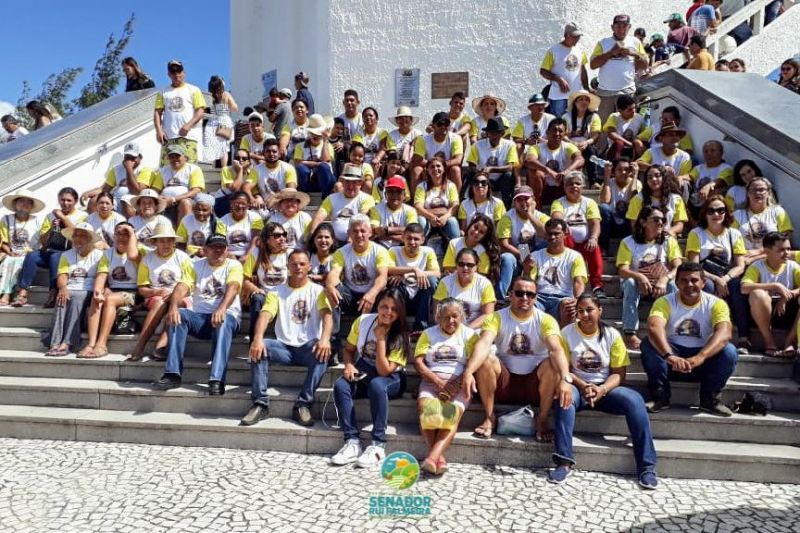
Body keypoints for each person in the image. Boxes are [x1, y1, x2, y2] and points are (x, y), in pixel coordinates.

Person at [550, 292, 658, 489]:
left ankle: (646, 466)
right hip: (577, 386)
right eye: (580, 311)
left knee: (635, 401)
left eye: (589, 310)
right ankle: (563, 461)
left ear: (600, 310)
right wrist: (583, 386)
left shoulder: (612, 335)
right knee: (564, 399)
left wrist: (602, 389)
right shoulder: (566, 333)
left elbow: (619, 374)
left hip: (606, 389)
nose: (584, 315)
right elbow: (564, 369)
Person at [461, 276, 570, 442]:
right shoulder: (496, 318)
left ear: (535, 297)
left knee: (552, 365)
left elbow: (556, 349)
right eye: (519, 293)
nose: (524, 298)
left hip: (535, 385)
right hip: (504, 383)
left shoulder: (546, 320)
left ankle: (541, 419)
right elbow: (483, 344)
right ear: (510, 295)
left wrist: (565, 378)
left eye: (530, 294)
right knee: (487, 360)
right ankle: (489, 417)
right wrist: (468, 371)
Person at [243, 249, 333, 426]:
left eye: (302, 264)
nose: (298, 267)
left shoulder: (318, 291)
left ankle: (303, 404)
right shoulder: (276, 292)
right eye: (294, 264)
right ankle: (260, 404)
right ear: (287, 266)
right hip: (284, 348)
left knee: (323, 351)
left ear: (309, 266)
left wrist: (325, 339)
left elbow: (327, 316)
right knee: (261, 346)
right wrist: (258, 338)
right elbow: (265, 315)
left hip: (308, 347)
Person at [641, 262, 737, 417]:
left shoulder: (717, 304)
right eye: (684, 281)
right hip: (670, 362)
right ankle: (660, 397)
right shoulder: (664, 302)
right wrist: (669, 356)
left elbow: (725, 333)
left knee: (729, 351)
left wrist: (701, 357)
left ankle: (710, 399)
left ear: (704, 283)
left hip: (702, 363)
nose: (689, 285)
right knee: (648, 343)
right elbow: (654, 327)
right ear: (676, 283)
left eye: (694, 280)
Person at [153, 234, 243, 395]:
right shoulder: (195, 265)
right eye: (214, 247)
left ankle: (217, 379)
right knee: (178, 314)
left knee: (223, 320)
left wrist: (222, 309)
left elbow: (233, 287)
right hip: (201, 318)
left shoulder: (234, 265)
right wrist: (173, 306)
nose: (218, 250)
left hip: (227, 318)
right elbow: (182, 286)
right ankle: (172, 374)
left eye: (222, 247)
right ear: (205, 250)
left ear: (227, 249)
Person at [330, 288, 409, 468]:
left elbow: (384, 371)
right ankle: (352, 442)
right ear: (377, 306)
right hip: (365, 371)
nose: (388, 312)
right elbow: (348, 350)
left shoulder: (401, 334)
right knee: (341, 386)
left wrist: (380, 339)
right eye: (384, 306)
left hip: (391, 378)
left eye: (394, 309)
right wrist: (349, 365)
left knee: (377, 385)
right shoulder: (363, 322)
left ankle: (378, 445)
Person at [414, 298, 477, 475]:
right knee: (426, 412)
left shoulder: (469, 335)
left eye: (455, 316)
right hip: (431, 382)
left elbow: (474, 361)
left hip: (459, 385)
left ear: (462, 317)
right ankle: (438, 458)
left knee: (450, 415)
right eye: (446, 317)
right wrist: (439, 383)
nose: (451, 321)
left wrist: (455, 384)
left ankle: (432, 456)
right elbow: (418, 363)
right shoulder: (428, 334)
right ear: (438, 317)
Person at [617, 206, 682, 349]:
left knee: (673, 286)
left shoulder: (668, 241)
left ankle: (672, 331)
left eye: (663, 220)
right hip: (637, 286)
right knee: (629, 283)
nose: (661, 223)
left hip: (660, 285)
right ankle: (630, 333)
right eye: (656, 219)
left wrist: (665, 279)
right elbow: (622, 270)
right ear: (643, 222)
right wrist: (639, 276)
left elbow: (678, 267)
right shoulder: (628, 242)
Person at [128, 223, 194, 362]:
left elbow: (190, 285)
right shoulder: (147, 259)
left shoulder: (183, 258)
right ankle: (141, 344)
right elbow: (142, 289)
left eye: (169, 240)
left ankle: (161, 344)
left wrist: (175, 295)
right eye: (162, 240)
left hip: (181, 295)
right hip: (156, 295)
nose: (166, 244)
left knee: (178, 303)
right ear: (155, 242)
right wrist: (157, 291)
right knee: (159, 302)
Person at [14, 187, 88, 308]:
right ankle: (23, 292)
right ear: (59, 200)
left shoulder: (82, 216)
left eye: (69, 200)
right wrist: (51, 229)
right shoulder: (50, 216)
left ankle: (53, 293)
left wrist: (63, 218)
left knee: (55, 257)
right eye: (62, 200)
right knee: (32, 256)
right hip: (50, 251)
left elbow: (77, 236)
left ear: (75, 201)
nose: (65, 203)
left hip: (70, 253)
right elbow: (43, 241)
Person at [81, 222, 143, 359]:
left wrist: (132, 233)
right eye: (118, 233)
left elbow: (133, 256)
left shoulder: (140, 251)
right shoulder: (108, 254)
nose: (121, 237)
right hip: (114, 290)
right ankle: (91, 343)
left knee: (110, 299)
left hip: (134, 292)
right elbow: (101, 275)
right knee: (97, 297)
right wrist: (98, 290)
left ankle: (101, 344)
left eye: (126, 234)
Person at [44, 222, 103, 357]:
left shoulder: (100, 255)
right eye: (75, 236)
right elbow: (62, 275)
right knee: (61, 297)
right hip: (70, 287)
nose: (78, 239)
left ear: (89, 239)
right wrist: (63, 288)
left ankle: (68, 342)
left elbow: (101, 276)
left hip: (88, 288)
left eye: (82, 236)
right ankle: (55, 342)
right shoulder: (66, 255)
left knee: (77, 297)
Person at [740, 231, 800, 358]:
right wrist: (775, 286)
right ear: (767, 251)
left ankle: (790, 341)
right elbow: (744, 288)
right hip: (763, 315)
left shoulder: (793, 266)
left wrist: (788, 295)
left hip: (787, 312)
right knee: (757, 294)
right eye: (781, 250)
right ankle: (769, 342)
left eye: (789, 249)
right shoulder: (757, 266)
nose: (787, 253)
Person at [325, 214, 390, 324]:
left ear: (370, 232)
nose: (359, 235)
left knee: (389, 294)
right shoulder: (341, 252)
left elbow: (382, 276)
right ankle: (333, 336)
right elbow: (334, 274)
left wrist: (371, 294)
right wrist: (330, 286)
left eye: (363, 231)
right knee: (332, 292)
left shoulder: (379, 251)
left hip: (372, 294)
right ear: (349, 233)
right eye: (355, 231)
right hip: (350, 295)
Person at [550, 172, 604, 297]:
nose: (574, 186)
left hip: (585, 243)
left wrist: (593, 238)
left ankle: (597, 286)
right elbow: (557, 219)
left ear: (583, 187)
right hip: (567, 244)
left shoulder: (589, 203)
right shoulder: (558, 203)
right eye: (570, 184)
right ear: (564, 188)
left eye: (577, 183)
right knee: (562, 234)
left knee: (594, 246)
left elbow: (595, 223)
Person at [589, 14, 649, 122]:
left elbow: (645, 65)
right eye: (618, 26)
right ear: (612, 27)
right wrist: (611, 53)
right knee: (604, 127)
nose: (621, 29)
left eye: (624, 26)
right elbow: (593, 65)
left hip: (627, 91)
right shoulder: (603, 43)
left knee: (627, 126)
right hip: (605, 93)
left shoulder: (635, 42)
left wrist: (635, 54)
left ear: (629, 27)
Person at [529, 219, 587, 326]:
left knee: (569, 306)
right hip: (540, 297)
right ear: (545, 235)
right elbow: (529, 282)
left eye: (556, 233)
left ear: (565, 234)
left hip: (562, 298)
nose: (552, 237)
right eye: (549, 234)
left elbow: (578, 282)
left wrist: (577, 299)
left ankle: (564, 340)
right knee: (528, 304)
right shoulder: (535, 256)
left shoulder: (574, 257)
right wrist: (527, 269)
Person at [497, 185, 550, 296]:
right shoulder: (507, 217)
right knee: (507, 257)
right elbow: (503, 244)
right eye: (519, 199)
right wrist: (524, 256)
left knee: (550, 242)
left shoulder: (541, 216)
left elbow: (547, 235)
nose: (522, 202)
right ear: (514, 203)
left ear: (533, 199)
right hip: (517, 255)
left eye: (526, 198)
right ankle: (500, 297)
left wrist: (530, 214)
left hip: (537, 255)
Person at [387, 223, 441, 332]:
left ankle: (420, 327)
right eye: (409, 238)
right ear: (403, 238)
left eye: (416, 239)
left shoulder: (428, 252)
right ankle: (398, 327)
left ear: (422, 240)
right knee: (393, 283)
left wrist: (408, 275)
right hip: (402, 297)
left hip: (420, 299)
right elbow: (388, 269)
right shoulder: (394, 251)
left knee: (431, 281)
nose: (412, 242)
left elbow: (437, 273)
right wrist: (413, 270)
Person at [80, 142, 154, 217]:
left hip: (135, 203)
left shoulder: (145, 170)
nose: (129, 160)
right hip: (116, 201)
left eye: (133, 157)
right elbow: (104, 189)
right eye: (127, 157)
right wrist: (88, 193)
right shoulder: (116, 169)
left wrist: (129, 169)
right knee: (94, 201)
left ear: (140, 158)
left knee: (126, 200)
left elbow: (138, 191)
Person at [242, 222, 290, 337]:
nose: (282, 238)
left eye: (284, 235)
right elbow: (243, 279)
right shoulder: (257, 253)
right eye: (277, 236)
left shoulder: (290, 254)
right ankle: (254, 341)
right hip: (265, 294)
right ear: (267, 239)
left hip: (285, 294)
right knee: (257, 298)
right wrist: (255, 289)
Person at [153, 60, 205, 165]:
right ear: (168, 74)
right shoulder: (163, 92)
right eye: (173, 72)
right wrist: (159, 131)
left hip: (188, 138)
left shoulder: (194, 90)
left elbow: (200, 111)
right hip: (169, 138)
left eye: (179, 71)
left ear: (184, 72)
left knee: (189, 171)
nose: (176, 74)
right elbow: (157, 113)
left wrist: (188, 125)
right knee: (166, 172)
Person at [525, 118, 585, 206]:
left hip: (562, 186)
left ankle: (572, 205)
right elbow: (529, 161)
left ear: (564, 134)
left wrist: (567, 171)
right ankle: (536, 205)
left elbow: (580, 159)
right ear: (547, 132)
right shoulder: (537, 147)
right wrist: (548, 171)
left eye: (560, 131)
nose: (557, 134)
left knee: (577, 170)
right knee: (534, 172)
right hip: (543, 187)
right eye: (554, 130)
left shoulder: (568, 147)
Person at [309, 163, 375, 244]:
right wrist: (312, 234)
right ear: (342, 182)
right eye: (347, 182)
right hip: (333, 242)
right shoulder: (332, 198)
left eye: (354, 182)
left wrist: (351, 237)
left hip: (356, 240)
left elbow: (361, 219)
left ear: (360, 183)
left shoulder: (367, 198)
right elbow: (319, 216)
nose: (350, 186)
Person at [433, 248, 496, 329]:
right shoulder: (445, 282)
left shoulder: (485, 284)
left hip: (475, 329)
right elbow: (437, 313)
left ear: (476, 266)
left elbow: (487, 314)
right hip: (449, 328)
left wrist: (466, 331)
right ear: (456, 265)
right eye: (461, 264)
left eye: (470, 265)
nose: (465, 268)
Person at [0, 189, 44, 306]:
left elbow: (43, 241)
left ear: (31, 206)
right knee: (11, 260)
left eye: (28, 202)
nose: (24, 204)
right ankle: (8, 293)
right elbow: (3, 241)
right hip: (12, 253)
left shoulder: (37, 220)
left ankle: (8, 294)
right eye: (21, 201)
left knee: (19, 261)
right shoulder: (6, 219)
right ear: (15, 204)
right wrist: (10, 252)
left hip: (30, 254)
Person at [540, 22, 590, 119]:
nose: (577, 39)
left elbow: (583, 70)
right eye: (575, 36)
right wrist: (558, 79)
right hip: (559, 96)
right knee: (559, 123)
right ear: (567, 35)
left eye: (578, 36)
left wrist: (586, 89)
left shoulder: (580, 50)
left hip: (576, 95)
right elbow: (543, 71)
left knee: (575, 122)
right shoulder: (553, 50)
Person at [465, 117, 519, 208]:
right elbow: (471, 164)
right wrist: (480, 172)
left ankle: (507, 206)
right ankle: (468, 202)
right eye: (492, 133)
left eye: (498, 133)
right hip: (482, 177)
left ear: (502, 133)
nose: (494, 136)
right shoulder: (477, 145)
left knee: (508, 176)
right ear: (487, 133)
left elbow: (510, 167)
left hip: (500, 179)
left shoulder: (510, 145)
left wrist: (491, 169)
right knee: (470, 175)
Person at [733, 177, 793, 254]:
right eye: (753, 190)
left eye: (761, 190)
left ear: (768, 192)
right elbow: (732, 240)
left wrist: (758, 252)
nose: (757, 193)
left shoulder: (778, 211)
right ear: (747, 193)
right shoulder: (737, 215)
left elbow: (785, 242)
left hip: (773, 257)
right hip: (745, 257)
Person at [626, 165, 688, 238]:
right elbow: (634, 225)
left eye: (657, 176)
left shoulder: (676, 199)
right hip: (645, 239)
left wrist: (671, 231)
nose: (654, 179)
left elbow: (679, 225)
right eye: (649, 177)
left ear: (664, 178)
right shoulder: (637, 199)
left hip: (667, 237)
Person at [410, 112, 464, 192]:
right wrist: (431, 166)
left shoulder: (456, 138)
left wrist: (440, 166)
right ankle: (416, 201)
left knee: (456, 170)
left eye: (446, 124)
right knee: (417, 170)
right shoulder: (422, 139)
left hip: (446, 169)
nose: (443, 127)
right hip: (428, 169)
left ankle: (456, 201)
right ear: (433, 126)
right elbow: (418, 159)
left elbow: (458, 160)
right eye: (439, 124)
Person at [636, 122, 693, 197]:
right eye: (670, 135)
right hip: (653, 187)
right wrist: (660, 170)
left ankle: (682, 206)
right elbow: (638, 164)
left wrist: (679, 178)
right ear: (661, 139)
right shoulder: (652, 151)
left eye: (677, 135)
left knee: (685, 183)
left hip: (672, 188)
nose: (675, 138)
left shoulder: (685, 157)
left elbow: (686, 176)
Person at [151, 144, 206, 222]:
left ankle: (183, 232)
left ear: (185, 158)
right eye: (171, 156)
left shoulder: (194, 169)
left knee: (185, 203)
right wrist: (158, 198)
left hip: (186, 200)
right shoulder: (163, 170)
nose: (174, 159)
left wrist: (173, 199)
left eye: (177, 156)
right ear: (168, 158)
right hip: (165, 202)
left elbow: (195, 191)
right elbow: (155, 190)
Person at [413, 156, 461, 243]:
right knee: (421, 220)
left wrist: (445, 217)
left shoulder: (451, 186)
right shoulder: (421, 186)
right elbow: (418, 207)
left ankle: (456, 248)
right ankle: (420, 247)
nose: (435, 169)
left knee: (452, 221)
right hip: (428, 219)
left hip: (445, 219)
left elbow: (455, 205)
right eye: (432, 167)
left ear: (444, 169)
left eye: (438, 166)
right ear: (427, 170)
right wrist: (432, 216)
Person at [246, 138, 298, 215]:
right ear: (263, 153)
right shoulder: (256, 169)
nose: (271, 154)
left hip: (283, 205)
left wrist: (273, 199)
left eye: (274, 151)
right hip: (264, 206)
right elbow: (246, 187)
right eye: (268, 151)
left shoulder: (288, 168)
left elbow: (291, 190)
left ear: (279, 153)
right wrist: (253, 199)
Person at [599, 158, 640, 252]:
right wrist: (606, 177)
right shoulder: (608, 183)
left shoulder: (636, 183)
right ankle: (604, 249)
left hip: (628, 223)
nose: (623, 172)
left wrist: (635, 176)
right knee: (603, 208)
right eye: (620, 170)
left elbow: (633, 201)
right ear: (614, 171)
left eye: (626, 169)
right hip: (612, 224)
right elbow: (605, 201)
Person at [443, 214, 500, 279]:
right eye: (475, 227)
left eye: (481, 232)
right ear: (470, 225)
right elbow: (448, 268)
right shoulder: (454, 243)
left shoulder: (483, 251)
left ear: (485, 237)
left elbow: (482, 276)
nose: (476, 232)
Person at [563, 90, 602, 185]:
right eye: (581, 99)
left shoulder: (594, 117)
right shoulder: (566, 117)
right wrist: (573, 142)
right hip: (569, 144)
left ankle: (594, 181)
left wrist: (586, 143)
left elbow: (595, 135)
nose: (584, 102)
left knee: (591, 152)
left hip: (586, 144)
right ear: (575, 102)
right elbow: (562, 135)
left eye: (586, 100)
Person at [293, 114, 337, 199]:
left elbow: (326, 160)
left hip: (326, 181)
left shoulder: (328, 146)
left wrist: (325, 141)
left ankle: (326, 197)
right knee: (301, 168)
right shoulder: (300, 146)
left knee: (323, 168)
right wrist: (318, 164)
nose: (315, 135)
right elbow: (298, 163)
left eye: (318, 133)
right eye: (313, 133)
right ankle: (304, 196)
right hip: (309, 181)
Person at [369, 176, 418, 249]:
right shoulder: (376, 209)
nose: (394, 195)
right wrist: (403, 234)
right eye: (391, 191)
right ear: (386, 194)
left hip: (403, 248)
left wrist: (387, 230)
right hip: (380, 247)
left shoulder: (410, 210)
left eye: (398, 192)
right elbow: (375, 230)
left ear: (404, 195)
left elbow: (412, 231)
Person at [688, 141, 733, 218]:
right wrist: (680, 178)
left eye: (712, 151)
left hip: (713, 205)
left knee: (716, 191)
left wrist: (708, 186)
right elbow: (690, 177)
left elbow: (720, 181)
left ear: (721, 153)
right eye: (706, 151)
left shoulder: (727, 168)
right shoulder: (699, 168)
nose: (709, 153)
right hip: (695, 204)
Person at [203, 76, 238, 167]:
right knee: (224, 147)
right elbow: (235, 108)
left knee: (211, 145)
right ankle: (224, 168)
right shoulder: (226, 94)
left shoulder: (209, 96)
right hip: (224, 121)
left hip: (212, 121)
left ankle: (210, 166)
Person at [213, 147, 256, 217]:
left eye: (244, 158)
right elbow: (234, 189)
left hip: (241, 200)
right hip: (223, 199)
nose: (240, 160)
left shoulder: (252, 172)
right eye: (237, 158)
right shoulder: (226, 170)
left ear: (249, 161)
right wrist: (240, 170)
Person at [221, 192, 263, 260]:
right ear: (231, 204)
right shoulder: (222, 221)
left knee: (257, 251)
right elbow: (221, 241)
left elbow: (256, 239)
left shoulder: (255, 217)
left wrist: (246, 255)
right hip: (229, 254)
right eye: (236, 203)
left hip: (250, 252)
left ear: (248, 205)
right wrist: (229, 255)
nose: (240, 206)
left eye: (243, 204)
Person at [511, 94, 555, 159]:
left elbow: (558, 137)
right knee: (518, 146)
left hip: (547, 147)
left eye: (542, 105)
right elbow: (516, 139)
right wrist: (526, 141)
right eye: (537, 105)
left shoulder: (551, 119)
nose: (540, 107)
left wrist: (545, 141)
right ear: (530, 108)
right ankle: (517, 168)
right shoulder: (522, 120)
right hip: (528, 147)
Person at [603, 94, 646, 161]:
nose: (633, 111)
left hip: (632, 150)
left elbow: (643, 136)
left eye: (634, 108)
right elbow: (611, 134)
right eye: (629, 110)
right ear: (620, 111)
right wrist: (629, 143)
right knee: (619, 143)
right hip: (617, 150)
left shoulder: (639, 118)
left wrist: (636, 144)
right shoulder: (614, 117)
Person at [353, 107, 387, 175]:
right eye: (365, 116)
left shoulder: (382, 132)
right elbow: (357, 150)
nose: (368, 117)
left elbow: (383, 149)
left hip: (377, 162)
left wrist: (377, 159)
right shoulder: (358, 134)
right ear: (363, 119)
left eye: (371, 115)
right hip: (362, 163)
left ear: (376, 119)